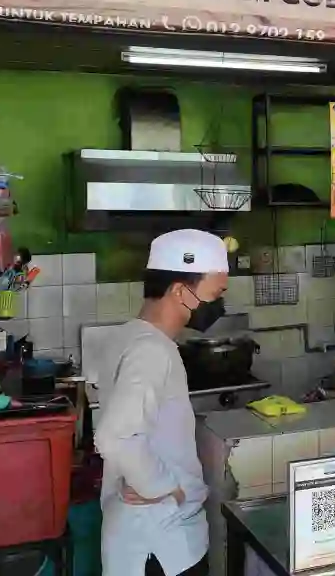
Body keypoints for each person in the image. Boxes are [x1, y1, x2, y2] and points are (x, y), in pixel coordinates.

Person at [96, 229, 229, 576]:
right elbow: (117, 436)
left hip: (144, 537)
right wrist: (162, 486)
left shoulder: (129, 335)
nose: (218, 305)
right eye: (215, 294)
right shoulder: (151, 350)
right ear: (180, 291)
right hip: (160, 544)